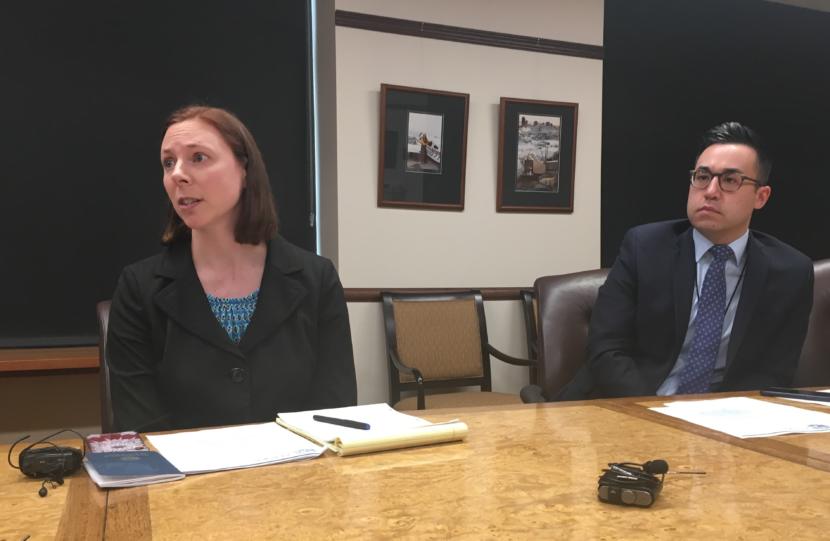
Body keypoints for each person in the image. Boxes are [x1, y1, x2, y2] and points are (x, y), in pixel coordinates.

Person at [107, 105, 356, 432]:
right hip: (185, 479)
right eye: (169, 162)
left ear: (244, 169)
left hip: (298, 476)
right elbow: (143, 428)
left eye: (198, 157)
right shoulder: (139, 288)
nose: (177, 174)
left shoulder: (316, 279)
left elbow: (334, 410)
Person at [559, 121, 814, 400]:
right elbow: (606, 349)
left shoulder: (791, 271)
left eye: (730, 180)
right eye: (703, 177)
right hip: (632, 404)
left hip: (725, 419)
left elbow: (775, 369)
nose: (711, 191)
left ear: (761, 197)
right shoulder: (645, 246)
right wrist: (659, 416)